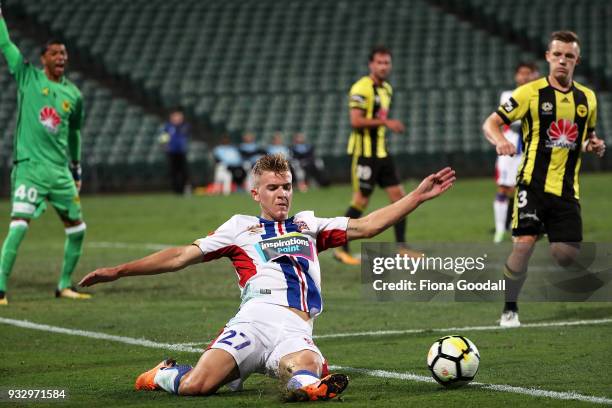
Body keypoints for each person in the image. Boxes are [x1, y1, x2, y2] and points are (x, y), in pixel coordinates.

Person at [79, 154, 455, 401]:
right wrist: (119, 270)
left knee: (304, 363)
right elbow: (180, 256)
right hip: (253, 322)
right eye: (273, 188)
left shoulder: (308, 225)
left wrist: (417, 197)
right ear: (255, 192)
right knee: (198, 386)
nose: (282, 194)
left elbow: (368, 225)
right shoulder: (239, 228)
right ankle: (163, 373)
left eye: (286, 186)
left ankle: (308, 386)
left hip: (295, 327)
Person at [482, 31, 605, 327]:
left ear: (577, 60)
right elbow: (491, 122)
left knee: (565, 255)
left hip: (566, 189)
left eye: (569, 56)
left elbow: (586, 137)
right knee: (523, 244)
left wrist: (594, 145)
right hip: (532, 184)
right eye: (558, 54)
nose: (563, 60)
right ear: (548, 57)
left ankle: (551, 230)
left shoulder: (587, 98)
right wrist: (499, 140)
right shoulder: (529, 93)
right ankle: (510, 308)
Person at [0, 6, 89, 305]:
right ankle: (0, 288)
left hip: (60, 171)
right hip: (30, 168)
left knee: (77, 229)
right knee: (19, 224)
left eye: (64, 54)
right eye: (55, 53)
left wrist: (76, 169)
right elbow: (5, 45)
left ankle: (64, 285)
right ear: (43, 58)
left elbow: (75, 133)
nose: (61, 58)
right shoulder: (28, 77)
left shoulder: (73, 95)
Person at [335, 45, 419, 265]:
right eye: (379, 62)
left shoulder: (387, 89)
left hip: (382, 153)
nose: (383, 66)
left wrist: (385, 124)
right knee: (360, 200)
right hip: (364, 155)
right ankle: (341, 248)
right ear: (371, 64)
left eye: (387, 62)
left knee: (399, 198)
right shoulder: (361, 88)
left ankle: (401, 247)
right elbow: (355, 121)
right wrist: (386, 122)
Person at [492, 62, 539, 243]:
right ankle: (499, 229)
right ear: (516, 76)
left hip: (531, 144)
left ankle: (522, 226)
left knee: (526, 188)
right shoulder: (508, 95)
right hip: (510, 144)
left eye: (529, 73)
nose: (525, 77)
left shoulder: (541, 95)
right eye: (521, 73)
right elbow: (509, 120)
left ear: (535, 75)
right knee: (504, 187)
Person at [159, 107, 191, 195]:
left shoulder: (184, 126)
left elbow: (186, 136)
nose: (177, 118)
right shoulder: (168, 127)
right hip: (172, 152)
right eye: (175, 116)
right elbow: (163, 138)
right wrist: (165, 145)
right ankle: (176, 190)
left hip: (181, 151)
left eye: (179, 116)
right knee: (173, 172)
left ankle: (184, 189)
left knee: (183, 171)